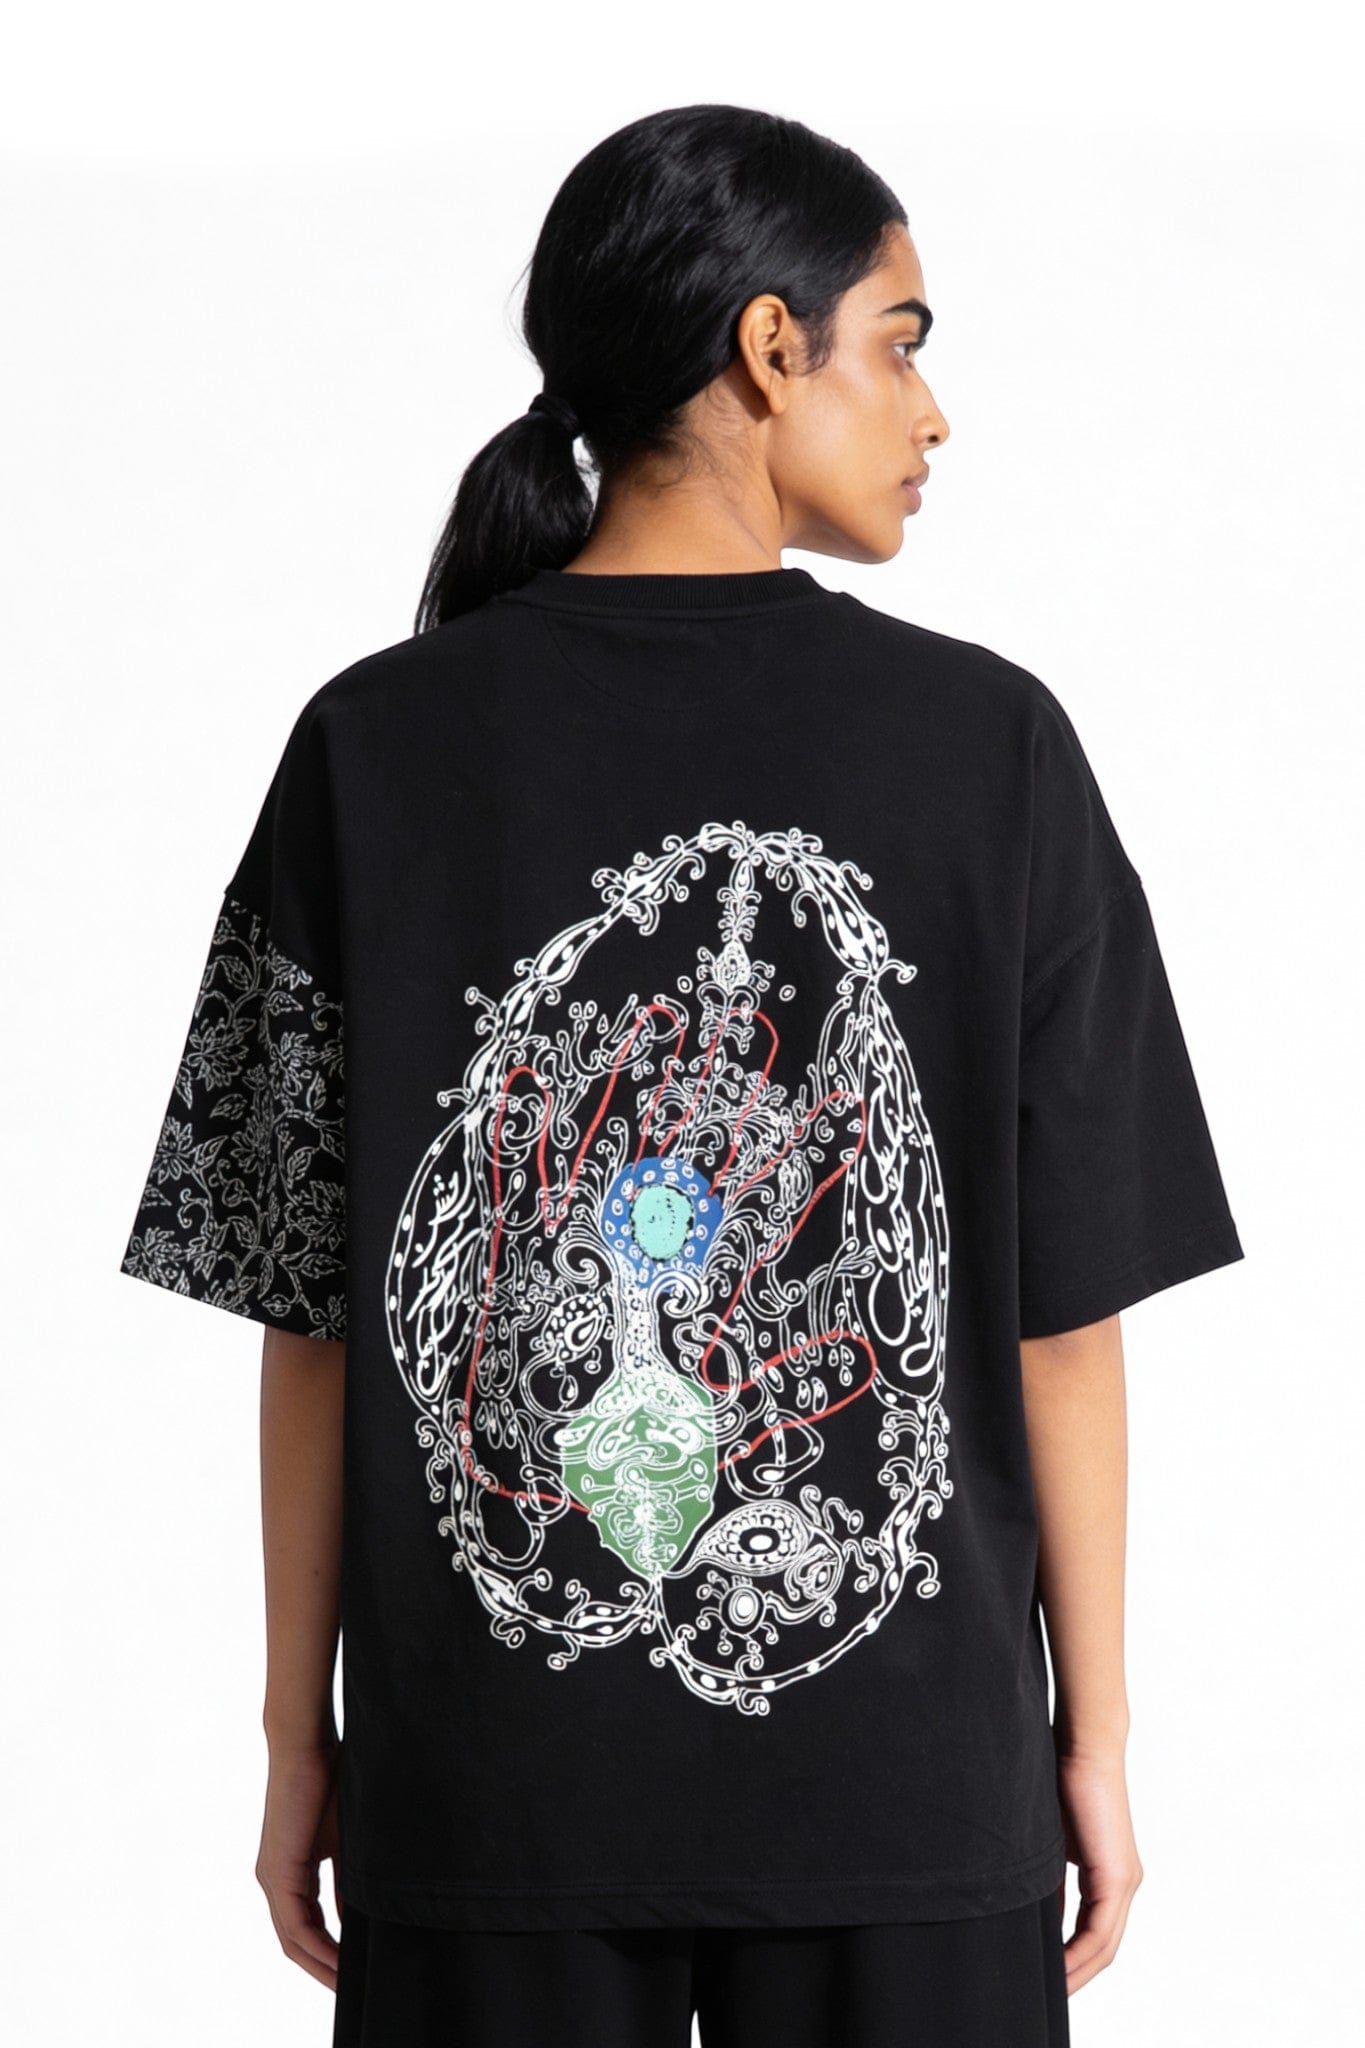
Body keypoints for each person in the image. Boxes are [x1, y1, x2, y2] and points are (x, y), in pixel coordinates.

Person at [118, 104, 1245, 2048]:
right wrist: (1094, 1738)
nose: (933, 411)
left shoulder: (369, 746)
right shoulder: (989, 748)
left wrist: (300, 1737)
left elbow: (309, 1323)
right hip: (901, 1794)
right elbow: (1062, 1318)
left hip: (487, 1793)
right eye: (900, 341)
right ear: (766, 347)